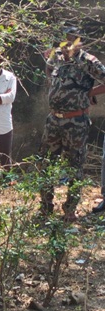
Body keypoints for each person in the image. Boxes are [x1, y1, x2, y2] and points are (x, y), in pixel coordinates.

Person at [40, 27, 105, 221]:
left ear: (79, 42)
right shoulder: (57, 57)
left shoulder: (88, 61)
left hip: (76, 122)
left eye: (72, 40)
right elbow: (48, 67)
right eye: (66, 40)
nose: (68, 44)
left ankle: (69, 210)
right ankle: (45, 207)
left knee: (74, 166)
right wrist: (51, 83)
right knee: (46, 163)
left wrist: (89, 93)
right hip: (53, 120)